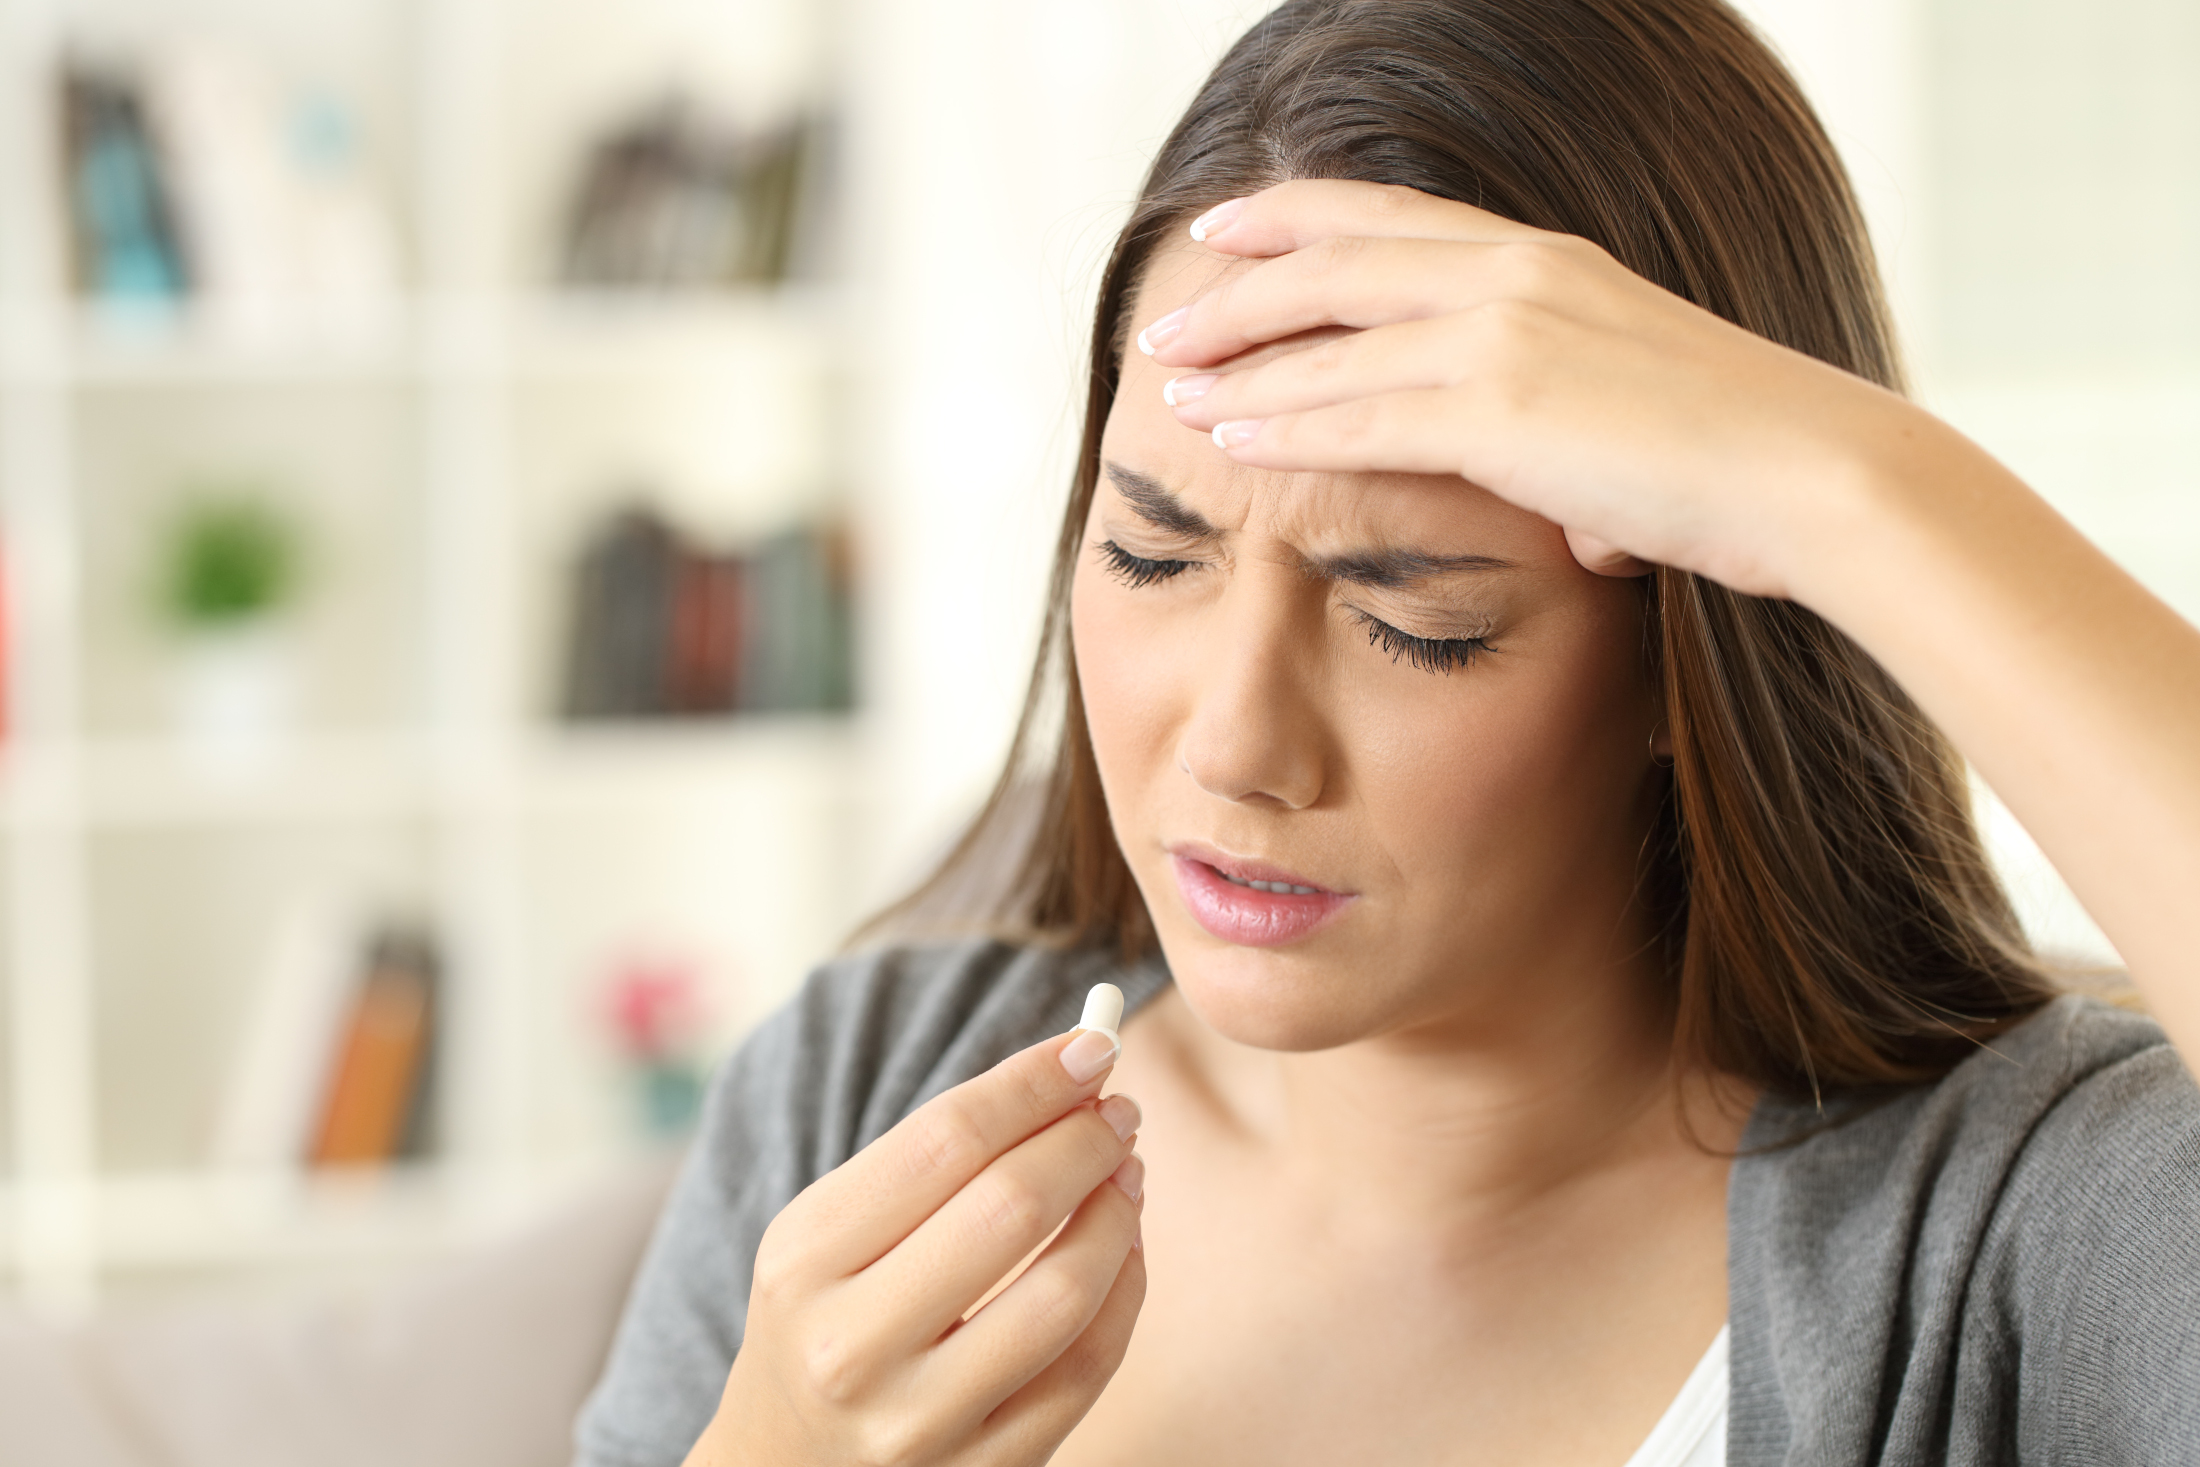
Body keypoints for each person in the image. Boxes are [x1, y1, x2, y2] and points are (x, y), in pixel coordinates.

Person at [575, 1, 2200, 1463]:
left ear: (1683, 648)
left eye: (1412, 621)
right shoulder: (860, 1090)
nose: (1233, 746)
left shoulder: (2018, 1230)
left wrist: (1844, 485)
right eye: (1151, 552)